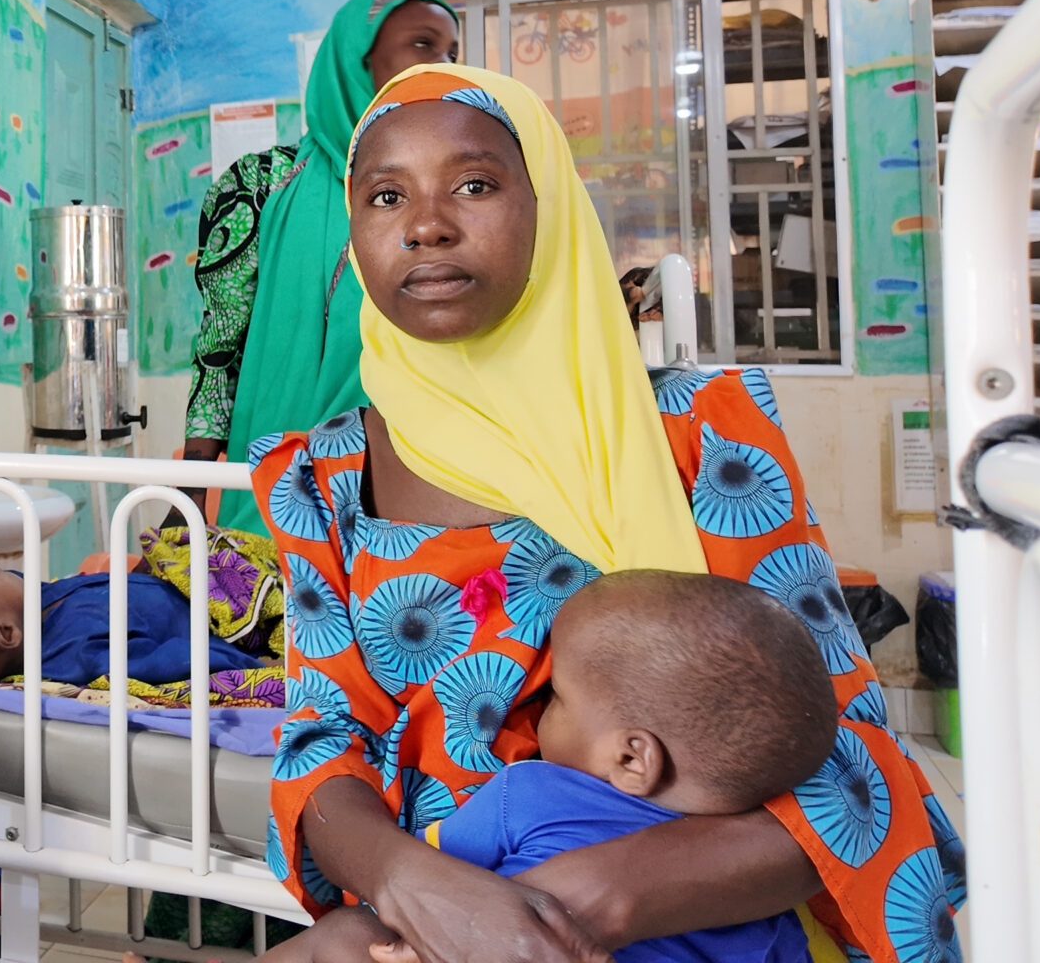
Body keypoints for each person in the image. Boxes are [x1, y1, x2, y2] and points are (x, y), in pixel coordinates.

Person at [255, 64, 962, 963]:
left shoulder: (699, 435)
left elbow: (844, 757)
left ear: (547, 204)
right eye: (385, 196)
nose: (426, 225)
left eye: (474, 185)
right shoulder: (320, 479)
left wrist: (584, 902)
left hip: (684, 922)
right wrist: (412, 887)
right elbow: (324, 741)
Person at [305, 569, 840, 963]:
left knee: (346, 938)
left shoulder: (530, 794)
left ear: (631, 757)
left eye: (557, 695)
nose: (541, 709)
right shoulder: (763, 903)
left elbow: (437, 882)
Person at [182, 0, 462, 534]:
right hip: (276, 497)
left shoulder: (447, 196)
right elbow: (218, 354)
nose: (443, 66)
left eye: (452, 51)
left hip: (416, 496)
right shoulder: (261, 186)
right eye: (423, 44)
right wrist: (188, 498)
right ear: (357, 61)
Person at [0, 545, 267, 693]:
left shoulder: (39, 607)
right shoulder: (80, 654)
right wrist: (250, 664)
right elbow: (179, 659)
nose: (8, 571)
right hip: (223, 623)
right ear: (6, 633)